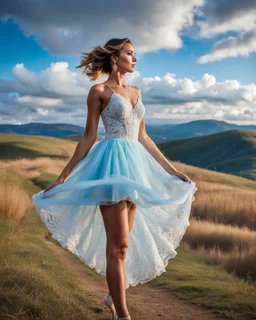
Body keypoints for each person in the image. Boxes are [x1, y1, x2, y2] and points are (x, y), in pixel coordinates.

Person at [31, 38, 198, 320]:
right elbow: (88, 137)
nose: (135, 58)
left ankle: (112, 295)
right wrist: (62, 177)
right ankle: (122, 314)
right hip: (110, 167)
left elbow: (143, 136)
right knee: (117, 246)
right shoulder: (98, 91)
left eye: (135, 54)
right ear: (114, 57)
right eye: (130, 53)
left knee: (124, 245)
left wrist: (172, 171)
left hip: (137, 169)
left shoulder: (136, 91)